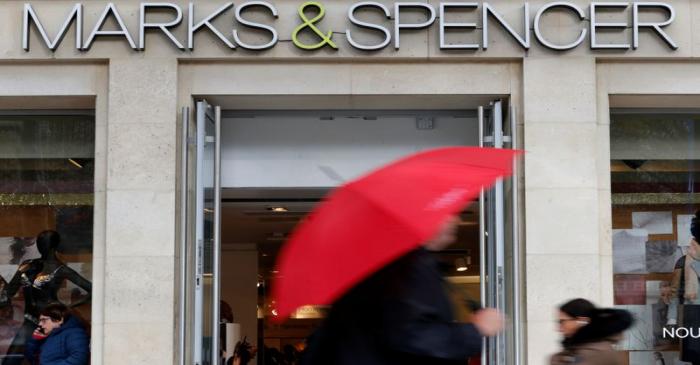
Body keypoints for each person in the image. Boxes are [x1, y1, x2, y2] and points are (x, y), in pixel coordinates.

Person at [300, 216, 504, 365]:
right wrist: (475, 330)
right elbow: (409, 335)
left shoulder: (392, 264)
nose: (456, 220)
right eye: (447, 213)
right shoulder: (406, 267)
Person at [0, 230, 92, 364]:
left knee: (48, 356)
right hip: (30, 318)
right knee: (11, 359)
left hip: (52, 320)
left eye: (44, 242)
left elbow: (91, 290)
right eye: (39, 242)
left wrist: (67, 308)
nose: (40, 246)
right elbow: (9, 293)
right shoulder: (27, 265)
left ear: (53, 245)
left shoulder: (60, 269)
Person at [550, 298, 633, 365]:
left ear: (582, 321)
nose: (558, 329)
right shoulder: (580, 347)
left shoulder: (597, 352)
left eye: (562, 321)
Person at [24, 302, 89, 365]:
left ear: (59, 320)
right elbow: (32, 359)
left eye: (44, 320)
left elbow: (78, 359)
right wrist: (34, 340)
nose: (40, 324)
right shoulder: (48, 335)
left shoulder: (75, 333)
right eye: (40, 321)